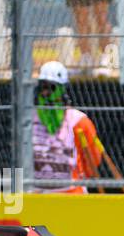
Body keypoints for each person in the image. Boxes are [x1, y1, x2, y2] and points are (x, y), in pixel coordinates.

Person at [32, 60, 104, 194]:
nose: (46, 93)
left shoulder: (78, 121)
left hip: (71, 192)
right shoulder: (29, 120)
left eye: (51, 87)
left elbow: (93, 160)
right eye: (43, 87)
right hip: (37, 193)